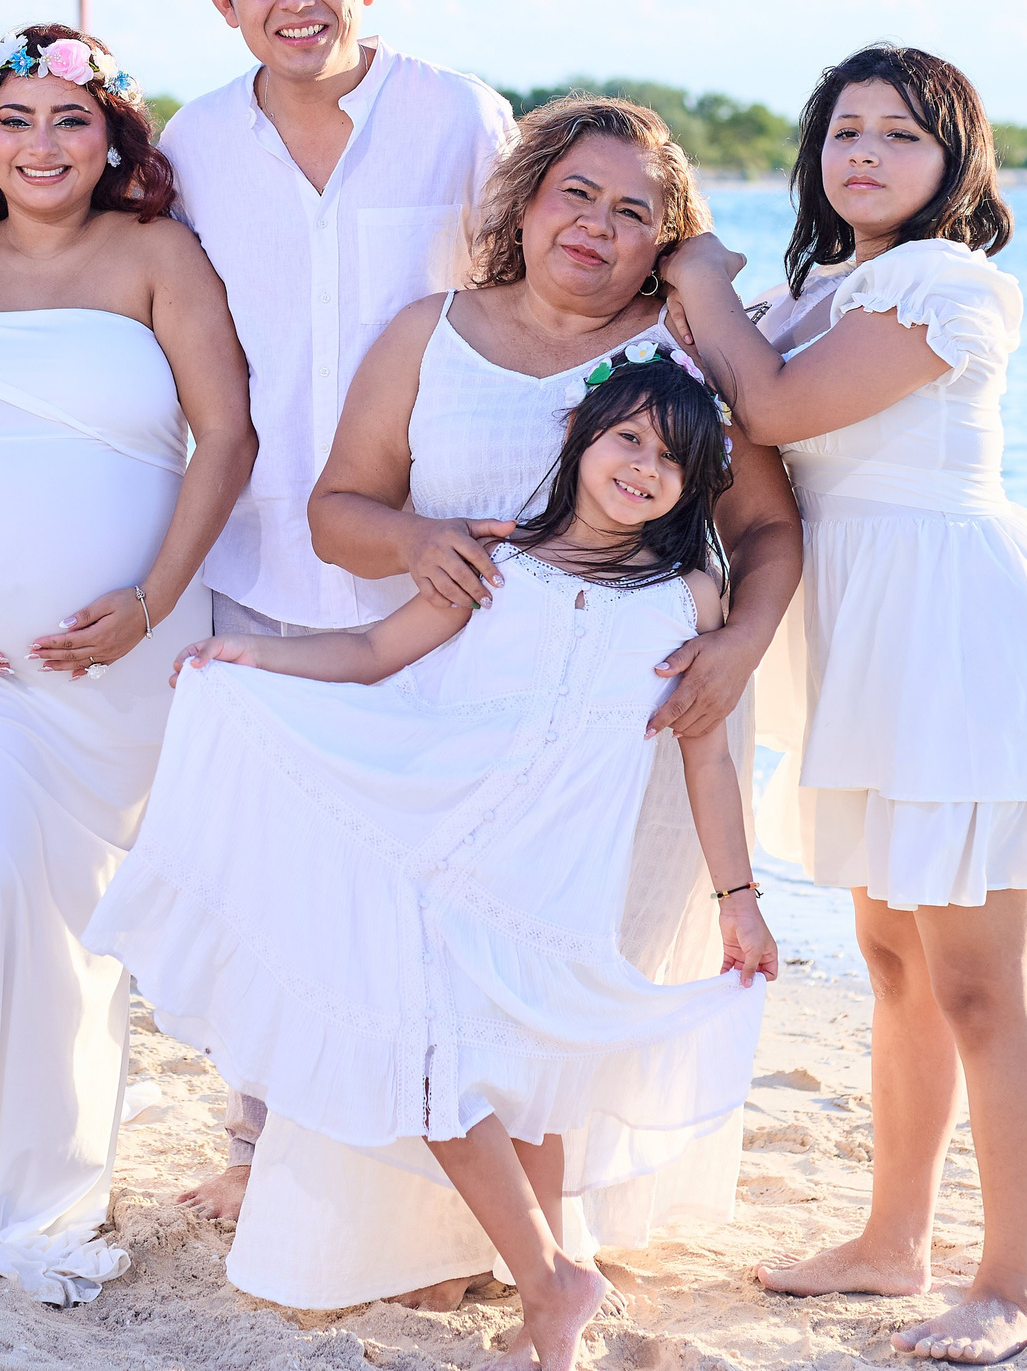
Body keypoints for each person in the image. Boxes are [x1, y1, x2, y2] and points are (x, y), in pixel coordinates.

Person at [89, 349, 776, 1371]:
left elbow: (706, 757)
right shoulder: (499, 559)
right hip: (441, 848)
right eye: (628, 437)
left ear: (695, 484)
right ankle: (551, 1282)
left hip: (555, 880)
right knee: (427, 1072)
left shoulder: (688, 598)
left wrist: (739, 897)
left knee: (533, 1086)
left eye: (671, 459)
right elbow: (374, 654)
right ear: (581, 436)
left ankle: (545, 1293)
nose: (643, 466)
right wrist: (257, 657)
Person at [243, 96, 802, 1309]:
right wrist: (415, 539)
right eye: (575, 194)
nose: (596, 225)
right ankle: (440, 1242)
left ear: (663, 239)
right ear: (527, 198)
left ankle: (547, 1246)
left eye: (632, 212)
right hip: (451, 712)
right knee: (428, 981)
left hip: (637, 725)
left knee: (559, 991)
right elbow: (336, 510)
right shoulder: (427, 332)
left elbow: (765, 529)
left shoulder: (686, 353)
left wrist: (741, 644)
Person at [659, 45, 1027, 1366]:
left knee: (979, 984)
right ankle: (890, 1240)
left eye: (901, 134)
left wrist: (699, 276)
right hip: (863, 647)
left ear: (953, 162)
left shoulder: (948, 284)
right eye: (845, 129)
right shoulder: (814, 292)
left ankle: (1010, 1280)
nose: (864, 153)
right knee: (894, 963)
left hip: (954, 646)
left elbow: (772, 403)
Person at [0, 24, 254, 1304]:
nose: (41, 143)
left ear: (110, 139)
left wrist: (148, 600)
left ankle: (48, 1182)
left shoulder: (156, 255)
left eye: (70, 119)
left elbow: (228, 439)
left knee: (70, 915)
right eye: (14, 120)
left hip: (115, 653)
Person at [156, 0, 516, 1221]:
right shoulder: (193, 143)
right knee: (271, 865)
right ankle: (259, 1144)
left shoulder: (457, 116)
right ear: (223, 1)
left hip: (434, 553)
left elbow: (532, 289)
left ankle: (428, 1158)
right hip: (256, 553)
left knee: (432, 863)